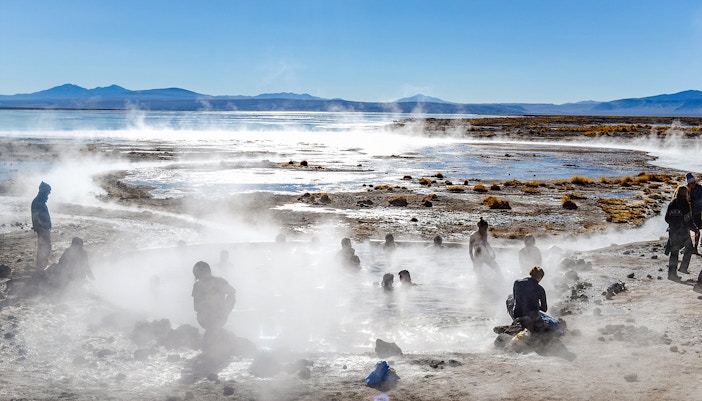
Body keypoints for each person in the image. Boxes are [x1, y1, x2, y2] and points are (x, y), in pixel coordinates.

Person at [192, 261, 236, 331]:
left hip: (220, 317)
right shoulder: (197, 286)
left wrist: (226, 310)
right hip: (205, 319)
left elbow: (232, 292)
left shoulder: (218, 282)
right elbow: (196, 307)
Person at [664, 185, 695, 280]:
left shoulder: (671, 203)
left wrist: (673, 224)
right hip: (682, 232)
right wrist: (695, 228)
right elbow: (687, 219)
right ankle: (683, 268)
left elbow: (666, 218)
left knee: (674, 252)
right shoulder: (685, 203)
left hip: (673, 231)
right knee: (689, 248)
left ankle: (671, 274)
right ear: (685, 193)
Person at [511, 266, 548, 332]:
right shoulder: (540, 289)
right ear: (540, 278)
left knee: (510, 299)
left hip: (517, 314)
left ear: (531, 274)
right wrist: (536, 305)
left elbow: (515, 298)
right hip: (532, 317)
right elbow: (544, 309)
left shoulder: (517, 283)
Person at [31, 181, 52, 271]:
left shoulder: (41, 201)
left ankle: (42, 265)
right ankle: (40, 267)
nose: (49, 193)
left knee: (45, 247)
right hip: (42, 230)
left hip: (44, 229)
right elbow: (36, 217)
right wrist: (41, 228)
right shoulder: (38, 202)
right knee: (44, 247)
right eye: (48, 191)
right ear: (44, 191)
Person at [687, 173, 702, 254]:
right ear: (688, 183)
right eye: (691, 183)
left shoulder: (700, 188)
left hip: (697, 212)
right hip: (688, 213)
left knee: (697, 230)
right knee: (687, 230)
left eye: (694, 182)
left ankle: (695, 247)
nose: (693, 184)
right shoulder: (686, 189)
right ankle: (689, 246)